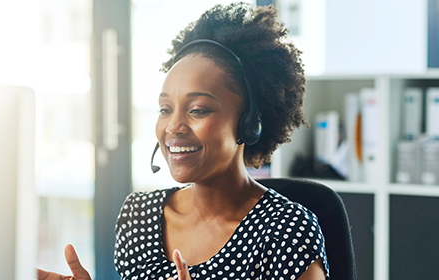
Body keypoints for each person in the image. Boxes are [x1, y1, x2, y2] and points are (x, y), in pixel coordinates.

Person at [38, 2, 328, 280]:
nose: (173, 126)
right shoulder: (138, 217)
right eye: (165, 109)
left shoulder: (286, 232)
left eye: (198, 110)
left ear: (249, 122)